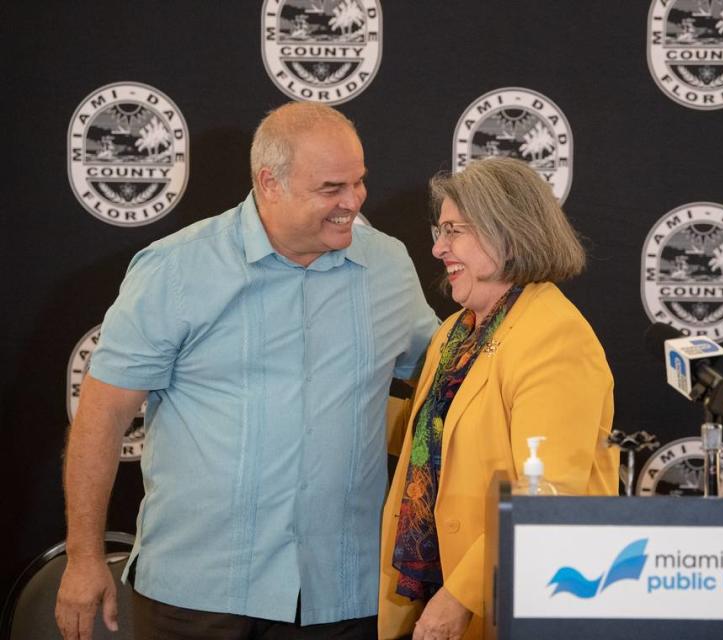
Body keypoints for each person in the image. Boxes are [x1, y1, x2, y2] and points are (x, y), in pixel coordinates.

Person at [55, 102, 438, 640]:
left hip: (342, 599)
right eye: (331, 188)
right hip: (195, 596)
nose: (352, 202)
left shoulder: (388, 265)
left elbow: (447, 377)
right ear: (270, 183)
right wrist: (84, 557)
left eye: (359, 182)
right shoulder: (175, 269)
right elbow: (100, 417)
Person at [378, 157, 618, 640]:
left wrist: (462, 595)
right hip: (437, 586)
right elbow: (431, 437)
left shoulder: (555, 336)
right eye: (439, 229)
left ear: (506, 234)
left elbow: (548, 495)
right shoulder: (456, 330)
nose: (437, 247)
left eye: (453, 231)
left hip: (504, 601)